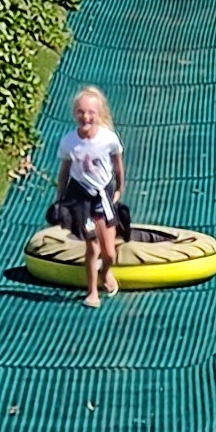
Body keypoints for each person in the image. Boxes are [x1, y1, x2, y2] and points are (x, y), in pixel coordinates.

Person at [54, 84, 126, 305]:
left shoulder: (108, 140)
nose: (85, 117)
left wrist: (120, 188)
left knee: (109, 252)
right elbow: (64, 172)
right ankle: (92, 291)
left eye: (90, 112)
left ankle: (105, 271)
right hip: (80, 197)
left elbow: (118, 166)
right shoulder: (69, 142)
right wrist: (59, 199)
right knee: (92, 246)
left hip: (103, 195)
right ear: (74, 113)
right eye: (81, 112)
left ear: (99, 113)